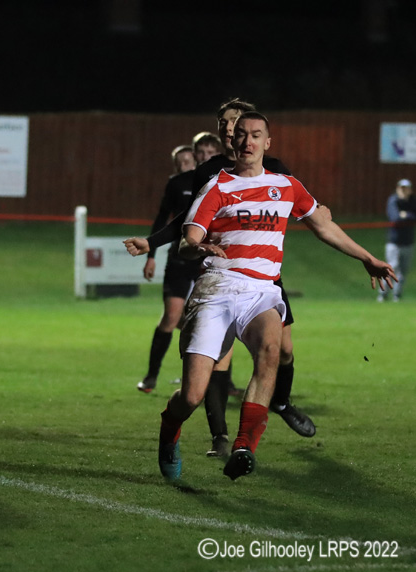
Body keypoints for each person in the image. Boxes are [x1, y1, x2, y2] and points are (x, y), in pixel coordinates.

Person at [158, 112, 395, 482]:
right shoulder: (216, 187)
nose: (248, 141)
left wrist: (367, 258)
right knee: (191, 396)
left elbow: (324, 226)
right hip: (215, 290)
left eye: (256, 135)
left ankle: (244, 447)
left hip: (261, 291)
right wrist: (199, 247)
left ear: (267, 142)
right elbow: (187, 244)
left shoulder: (286, 185)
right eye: (241, 135)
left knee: (272, 347)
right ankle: (169, 430)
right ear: (232, 142)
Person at [126, 99, 316, 457]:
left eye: (235, 122)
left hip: (264, 278)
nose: (229, 129)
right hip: (220, 274)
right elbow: (189, 218)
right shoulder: (211, 173)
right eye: (224, 123)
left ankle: (281, 402)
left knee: (283, 350)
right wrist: (154, 243)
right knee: (215, 364)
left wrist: (321, 215)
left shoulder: (275, 170)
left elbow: (302, 205)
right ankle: (221, 438)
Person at [137, 133, 222, 394]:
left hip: (210, 260)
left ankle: (221, 382)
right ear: (195, 154)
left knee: (211, 322)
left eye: (211, 152)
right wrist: (151, 254)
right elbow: (164, 218)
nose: (205, 157)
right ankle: (151, 376)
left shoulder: (224, 182)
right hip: (180, 258)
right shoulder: (179, 183)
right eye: (201, 152)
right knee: (172, 316)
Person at [378, 178, 415, 302]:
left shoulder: (413, 201)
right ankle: (383, 294)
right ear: (398, 189)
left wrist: (405, 215)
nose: (404, 191)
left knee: (403, 271)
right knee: (391, 268)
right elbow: (395, 218)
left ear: (410, 190)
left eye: (406, 189)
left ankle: (397, 295)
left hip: (408, 243)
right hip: (394, 242)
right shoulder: (393, 200)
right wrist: (406, 216)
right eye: (401, 189)